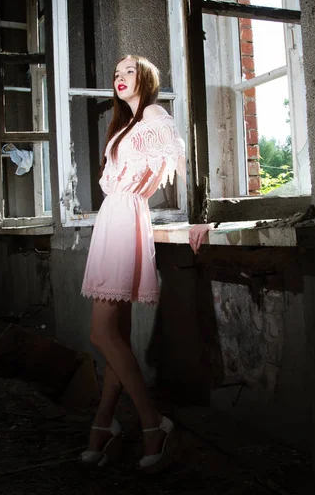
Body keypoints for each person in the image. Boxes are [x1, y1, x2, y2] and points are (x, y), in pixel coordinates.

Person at [80, 55, 211, 472]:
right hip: (112, 220)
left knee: (100, 333)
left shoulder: (154, 115)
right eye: (115, 73)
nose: (119, 78)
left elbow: (179, 158)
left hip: (126, 218)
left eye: (128, 72)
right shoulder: (124, 125)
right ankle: (103, 424)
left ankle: (153, 422)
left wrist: (199, 216)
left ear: (147, 78)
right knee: (114, 332)